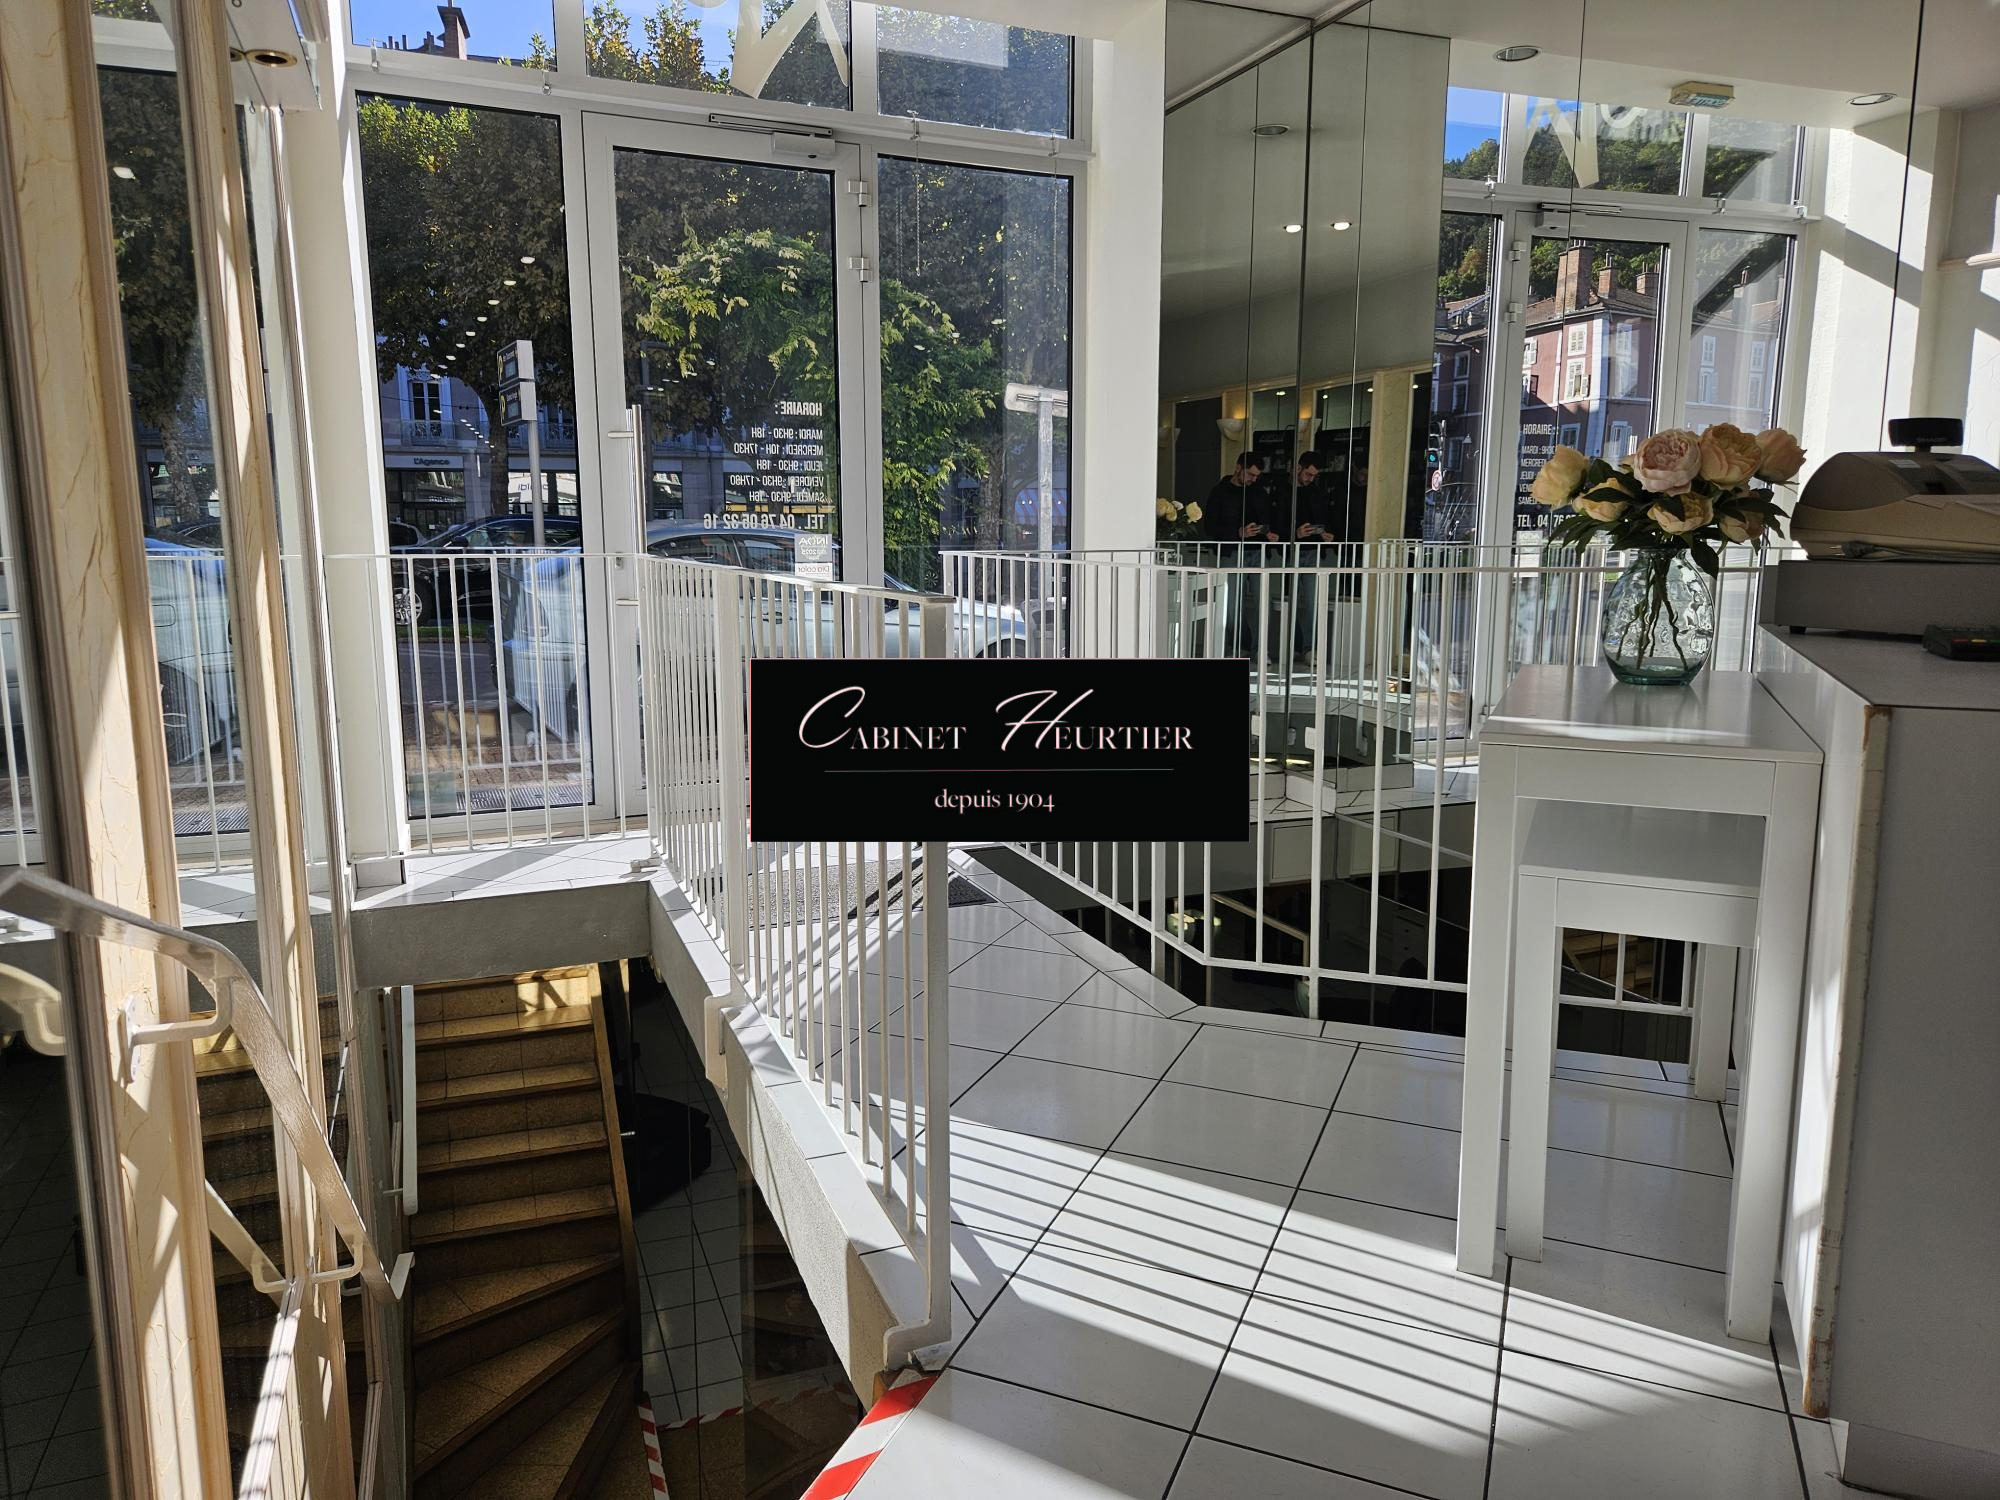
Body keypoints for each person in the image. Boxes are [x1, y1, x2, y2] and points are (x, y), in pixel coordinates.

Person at [1203, 453, 1279, 544]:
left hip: (1258, 547)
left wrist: (1268, 532)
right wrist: (1238, 533)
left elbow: (1268, 518)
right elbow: (1209, 528)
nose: (1254, 479)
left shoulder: (1259, 492)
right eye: (1250, 474)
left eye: (1257, 476)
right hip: (1230, 548)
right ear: (1238, 468)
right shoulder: (1219, 492)